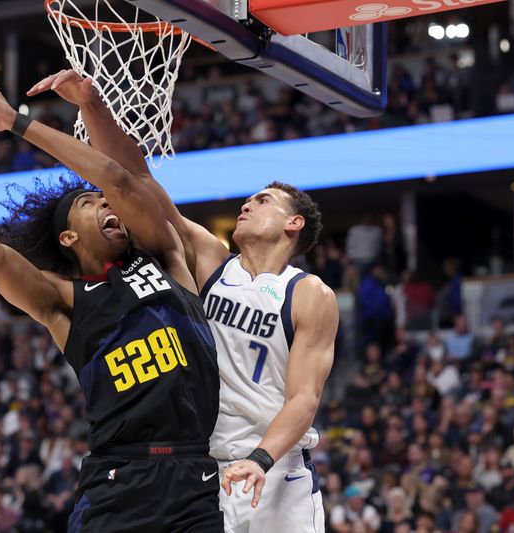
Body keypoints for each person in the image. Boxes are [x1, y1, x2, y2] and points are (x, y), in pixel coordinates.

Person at [0, 64, 222, 532]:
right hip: (118, 479)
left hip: (195, 475)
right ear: (68, 238)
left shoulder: (167, 258)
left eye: (103, 200)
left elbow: (120, 179)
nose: (106, 203)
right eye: (91, 204)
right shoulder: (64, 301)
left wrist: (17, 123)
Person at [28, 69, 337, 532]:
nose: (248, 204)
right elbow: (135, 178)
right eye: (249, 198)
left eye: (265, 200)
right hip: (206, 472)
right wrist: (92, 106)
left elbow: (304, 398)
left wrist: (259, 458)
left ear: (293, 225)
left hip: (274, 469)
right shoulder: (212, 263)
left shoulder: (308, 293)